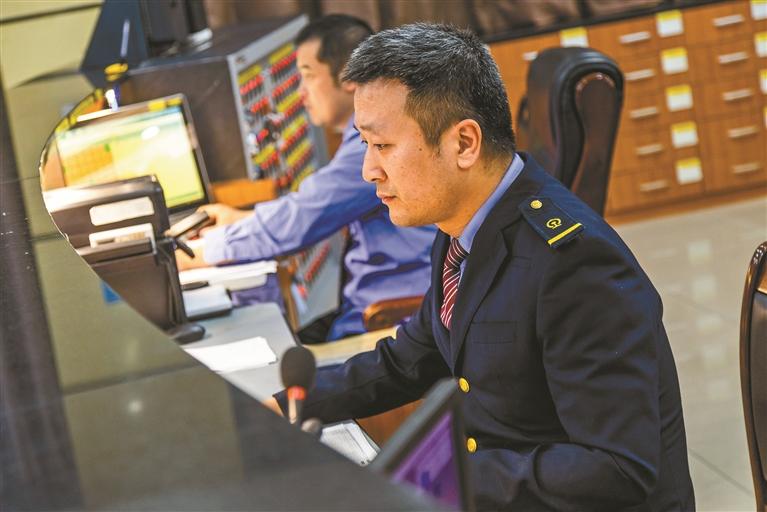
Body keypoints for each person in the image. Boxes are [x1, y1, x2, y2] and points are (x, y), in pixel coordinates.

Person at [268, 23, 695, 511]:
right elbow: (411, 359)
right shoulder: (461, 225)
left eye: (382, 145)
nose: (369, 170)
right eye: (364, 145)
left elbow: (617, 468)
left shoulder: (574, 265)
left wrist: (438, 477)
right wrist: (286, 406)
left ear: (464, 143)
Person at [177, 15, 436, 343]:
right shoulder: (371, 134)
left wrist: (195, 254)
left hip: (385, 319)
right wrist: (241, 219)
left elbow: (304, 216)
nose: (301, 93)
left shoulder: (372, 147)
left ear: (349, 76)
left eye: (308, 76)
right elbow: (310, 206)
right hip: (373, 306)